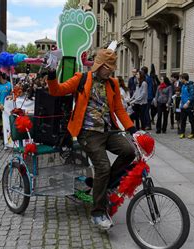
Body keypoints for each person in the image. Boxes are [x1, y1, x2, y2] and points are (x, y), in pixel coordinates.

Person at [47, 48, 137, 231]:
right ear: (100, 66)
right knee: (102, 166)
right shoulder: (82, 79)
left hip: (108, 130)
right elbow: (57, 90)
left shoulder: (112, 83)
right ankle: (98, 213)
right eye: (108, 67)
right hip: (87, 132)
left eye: (112, 67)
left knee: (129, 152)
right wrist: (51, 73)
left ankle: (104, 185)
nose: (111, 70)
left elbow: (119, 109)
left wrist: (133, 130)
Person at [179, 73, 194, 139]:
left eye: (181, 78)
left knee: (191, 120)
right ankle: (182, 133)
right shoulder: (183, 86)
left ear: (184, 79)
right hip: (183, 106)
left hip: (189, 106)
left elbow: (192, 96)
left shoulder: (191, 86)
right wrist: (181, 103)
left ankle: (192, 133)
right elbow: (182, 95)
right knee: (183, 120)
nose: (180, 80)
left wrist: (187, 103)